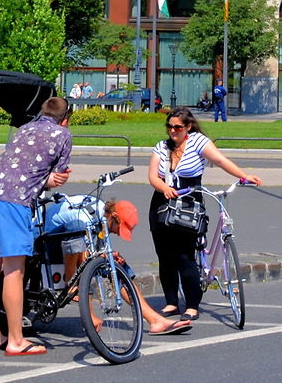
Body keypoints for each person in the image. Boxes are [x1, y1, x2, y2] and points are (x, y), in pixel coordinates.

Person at [0, 96, 74, 357]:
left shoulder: (25, 128)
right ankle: (16, 339)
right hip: (14, 201)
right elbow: (56, 176)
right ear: (65, 119)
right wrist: (51, 179)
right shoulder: (62, 134)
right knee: (14, 271)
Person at [148, 107, 262, 320]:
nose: (173, 131)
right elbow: (153, 176)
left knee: (185, 256)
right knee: (165, 256)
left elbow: (220, 160)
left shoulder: (198, 142)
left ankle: (192, 305)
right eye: (169, 127)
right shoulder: (162, 147)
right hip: (162, 205)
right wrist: (163, 187)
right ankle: (171, 302)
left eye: (177, 127)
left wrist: (244, 175)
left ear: (188, 127)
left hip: (189, 204)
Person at [39, 196, 191, 336]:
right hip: (46, 239)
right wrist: (98, 255)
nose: (118, 234)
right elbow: (85, 254)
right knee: (85, 256)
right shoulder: (86, 217)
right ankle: (80, 301)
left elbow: (95, 247)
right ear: (115, 217)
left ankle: (156, 321)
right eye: (119, 229)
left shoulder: (102, 215)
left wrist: (107, 257)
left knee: (116, 266)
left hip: (70, 241)